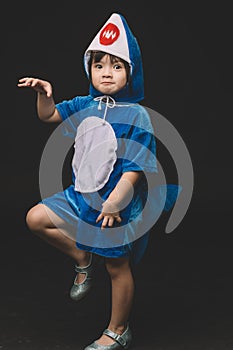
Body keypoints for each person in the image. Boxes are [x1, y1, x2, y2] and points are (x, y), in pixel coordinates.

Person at [18, 13, 179, 350]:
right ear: (89, 69)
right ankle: (82, 258)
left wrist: (116, 201)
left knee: (116, 266)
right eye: (100, 65)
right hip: (80, 195)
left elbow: (136, 168)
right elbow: (48, 115)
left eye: (117, 66)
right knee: (36, 218)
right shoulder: (84, 104)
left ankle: (118, 329)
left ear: (131, 73)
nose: (107, 72)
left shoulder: (137, 115)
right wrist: (44, 94)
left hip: (114, 204)